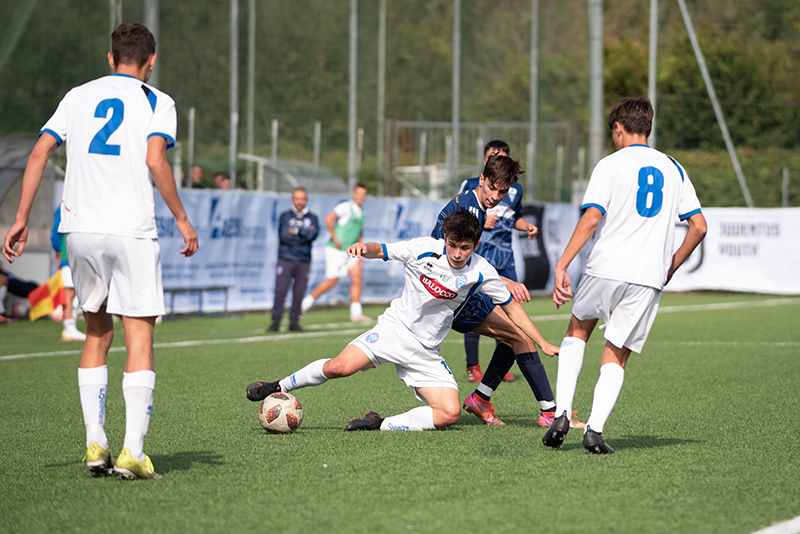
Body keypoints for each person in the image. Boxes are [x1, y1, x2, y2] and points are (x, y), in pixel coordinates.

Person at [3, 23, 198, 478]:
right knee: (139, 338)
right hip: (131, 230)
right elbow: (155, 159)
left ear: (110, 58)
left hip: (80, 230)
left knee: (96, 332)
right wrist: (182, 218)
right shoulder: (158, 101)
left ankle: (95, 442)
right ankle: (132, 451)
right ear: (151, 62)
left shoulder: (77, 96)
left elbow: (39, 154)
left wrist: (20, 218)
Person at [245, 209, 559, 432]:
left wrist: (541, 342)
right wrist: (363, 248)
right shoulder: (422, 249)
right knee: (338, 368)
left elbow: (512, 309)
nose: (457, 253)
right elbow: (380, 249)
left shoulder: (481, 270)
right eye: (453, 245)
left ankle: (378, 423)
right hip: (393, 331)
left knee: (449, 414)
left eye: (465, 248)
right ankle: (277, 385)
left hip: (425, 351)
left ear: (475, 246)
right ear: (445, 238)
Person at [542, 97, 707, 454]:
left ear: (618, 129)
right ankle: (594, 431)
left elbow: (592, 218)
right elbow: (699, 226)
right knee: (617, 355)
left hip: (606, 266)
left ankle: (562, 414)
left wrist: (562, 264)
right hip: (647, 275)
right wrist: (670, 266)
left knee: (577, 332)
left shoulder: (610, 164)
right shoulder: (675, 168)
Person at [431, 154, 583, 428]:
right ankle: (549, 413)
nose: (495, 196)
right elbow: (450, 258)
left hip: (454, 289)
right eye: (492, 188)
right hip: (447, 295)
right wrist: (504, 281)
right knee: (521, 336)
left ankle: (481, 399)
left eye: (502, 192)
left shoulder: (474, 204)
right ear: (481, 180)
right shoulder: (469, 211)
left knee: (514, 336)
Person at [301, 183, 371, 323]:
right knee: (331, 281)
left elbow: (359, 232)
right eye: (358, 193)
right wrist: (334, 238)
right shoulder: (345, 207)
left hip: (352, 251)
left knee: (357, 278)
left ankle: (356, 313)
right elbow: (329, 218)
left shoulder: (362, 211)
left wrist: (361, 249)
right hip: (336, 250)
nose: (360, 197)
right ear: (353, 194)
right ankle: (303, 305)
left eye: (363, 194)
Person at [269, 187, 319, 332]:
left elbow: (312, 235)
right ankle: (275, 321)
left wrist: (296, 231)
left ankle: (294, 322)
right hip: (286, 258)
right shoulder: (285, 216)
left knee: (299, 292)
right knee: (280, 291)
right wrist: (304, 233)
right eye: (297, 198)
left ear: (306, 200)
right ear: (292, 199)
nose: (299, 202)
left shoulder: (312, 217)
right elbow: (285, 236)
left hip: (303, 260)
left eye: (302, 198)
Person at [51, 207, 86, 341]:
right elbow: (56, 233)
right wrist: (59, 252)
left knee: (78, 290)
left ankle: (72, 324)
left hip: (83, 252)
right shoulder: (64, 205)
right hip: (68, 253)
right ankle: (68, 326)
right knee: (69, 291)